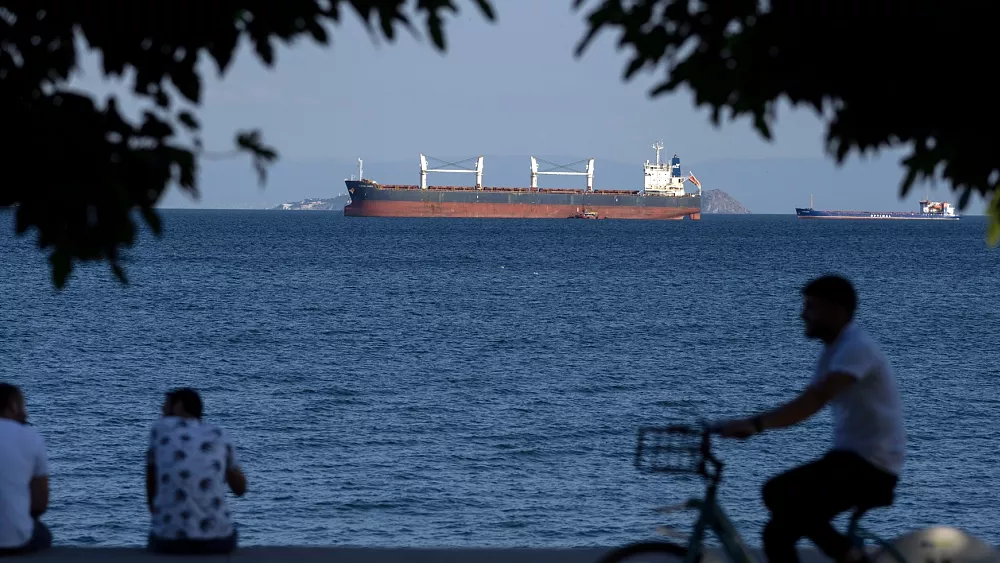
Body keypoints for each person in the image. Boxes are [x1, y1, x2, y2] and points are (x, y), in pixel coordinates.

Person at [716, 275, 905, 563]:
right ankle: (848, 554)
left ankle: (852, 557)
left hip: (870, 466)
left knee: (777, 492)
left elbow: (813, 401)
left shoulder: (856, 347)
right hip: (851, 460)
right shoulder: (834, 350)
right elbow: (809, 400)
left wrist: (755, 424)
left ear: (837, 310)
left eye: (811, 307)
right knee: (777, 534)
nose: (802, 314)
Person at [146, 388, 247, 554]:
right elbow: (241, 489)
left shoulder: (160, 428)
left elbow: (151, 494)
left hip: (169, 541)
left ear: (178, 406)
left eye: (164, 407)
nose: (161, 412)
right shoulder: (219, 434)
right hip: (217, 541)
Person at [0, 383, 52, 556]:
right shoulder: (31, 438)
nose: (25, 412)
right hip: (15, 540)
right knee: (43, 533)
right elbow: (40, 503)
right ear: (12, 405)